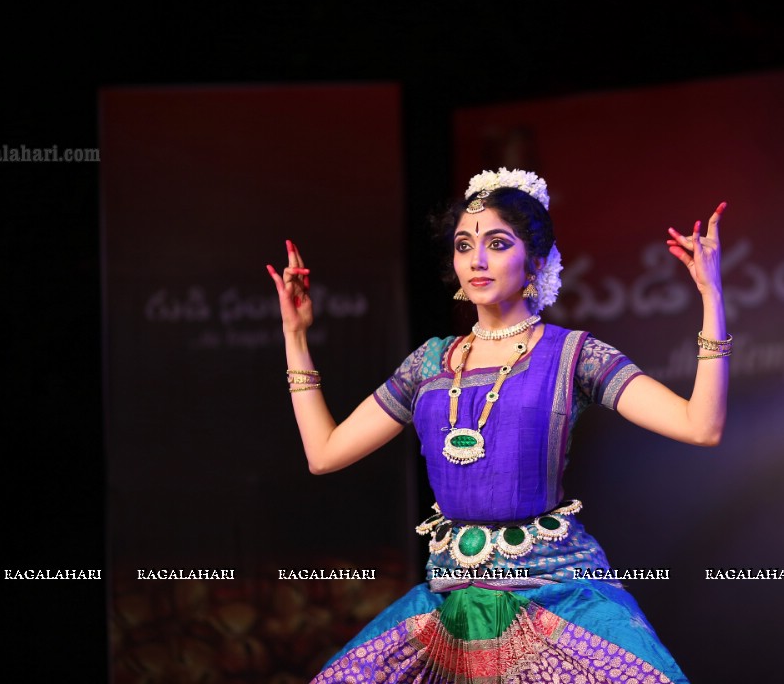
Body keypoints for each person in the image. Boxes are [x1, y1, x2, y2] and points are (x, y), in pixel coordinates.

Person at [266, 168, 730, 683]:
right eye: (464, 245)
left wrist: (711, 299)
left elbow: (699, 426)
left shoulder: (573, 355)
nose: (477, 260)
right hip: (452, 602)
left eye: (497, 243)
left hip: (556, 593)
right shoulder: (429, 364)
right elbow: (324, 453)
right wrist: (295, 336)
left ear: (535, 260)